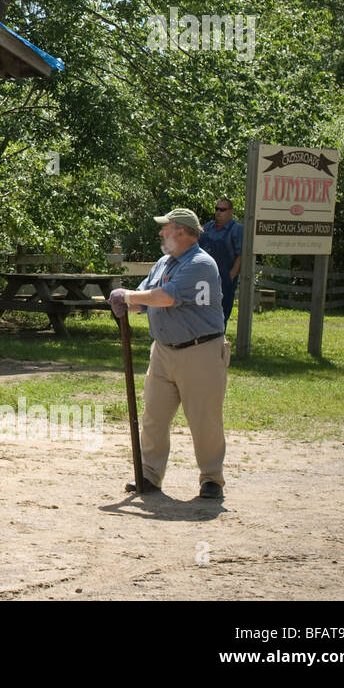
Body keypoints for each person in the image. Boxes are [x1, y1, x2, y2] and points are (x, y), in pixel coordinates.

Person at [108, 208, 228, 500]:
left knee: (204, 419)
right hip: (163, 351)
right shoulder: (163, 263)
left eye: (166, 228)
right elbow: (144, 300)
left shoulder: (200, 263)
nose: (161, 233)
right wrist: (127, 303)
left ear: (183, 232)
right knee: (154, 417)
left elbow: (167, 297)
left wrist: (127, 296)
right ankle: (149, 475)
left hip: (201, 351)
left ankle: (212, 478)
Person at [198, 197, 244, 330]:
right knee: (202, 311)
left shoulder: (237, 229)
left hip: (224, 278)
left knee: (221, 314)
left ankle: (219, 341)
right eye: (217, 209)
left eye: (222, 209)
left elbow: (241, 255)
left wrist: (231, 276)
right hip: (205, 277)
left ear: (231, 211)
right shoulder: (206, 227)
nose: (218, 212)